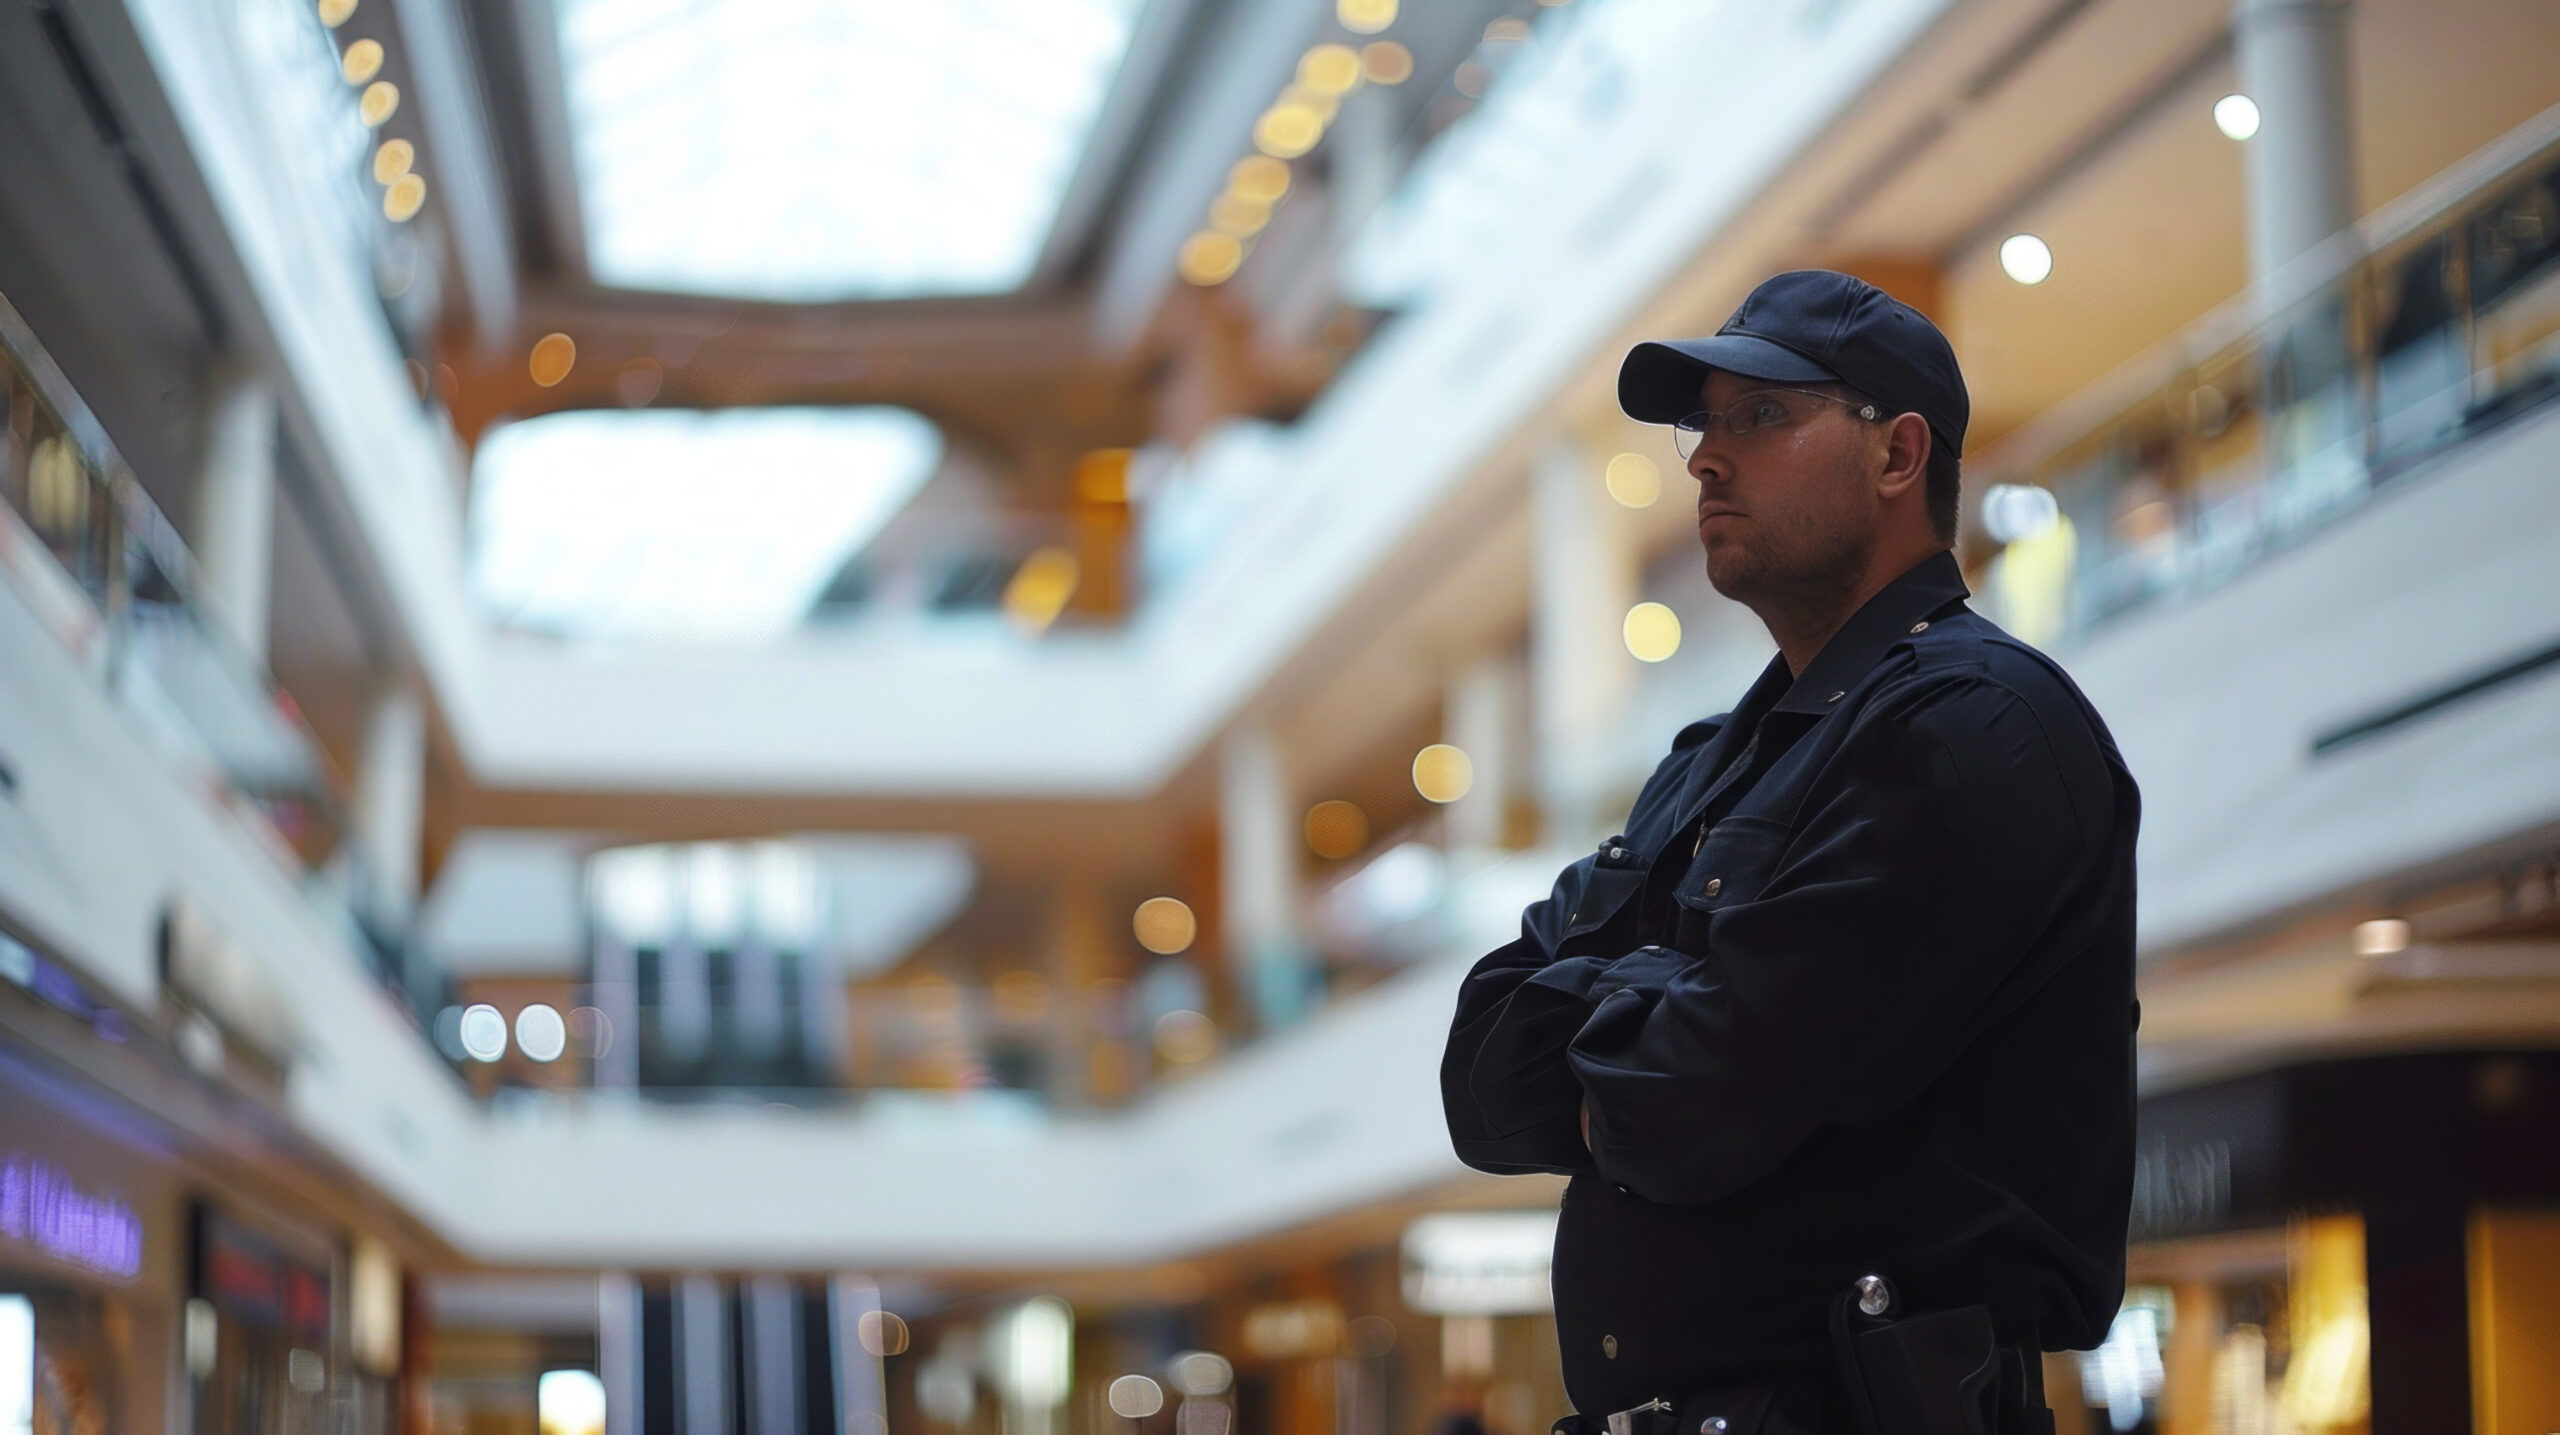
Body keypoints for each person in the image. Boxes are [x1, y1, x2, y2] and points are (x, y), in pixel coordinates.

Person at [1440, 271, 2140, 1435]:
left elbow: (1688, 1099)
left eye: (1760, 416)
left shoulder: (1975, 729)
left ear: (1896, 453)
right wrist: (1666, 1007)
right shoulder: (1714, 757)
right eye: (1701, 423)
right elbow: (1484, 1081)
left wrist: (1623, 1024)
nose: (1708, 457)